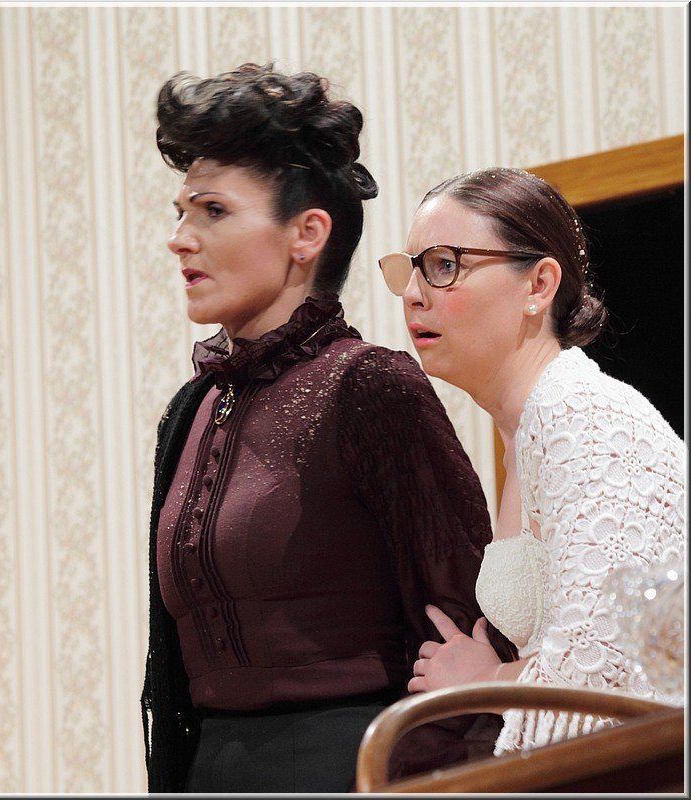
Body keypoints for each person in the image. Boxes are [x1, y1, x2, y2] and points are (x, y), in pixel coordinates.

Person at [140, 64, 514, 793]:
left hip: (351, 768)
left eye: (212, 211)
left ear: (307, 233)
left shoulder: (369, 386)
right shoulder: (191, 409)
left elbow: (462, 636)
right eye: (180, 212)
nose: (180, 239)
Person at [378, 167, 686, 755]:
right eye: (411, 269)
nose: (414, 293)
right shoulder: (530, 427)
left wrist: (488, 680)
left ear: (539, 285)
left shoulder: (582, 412)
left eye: (444, 265)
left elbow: (610, 671)